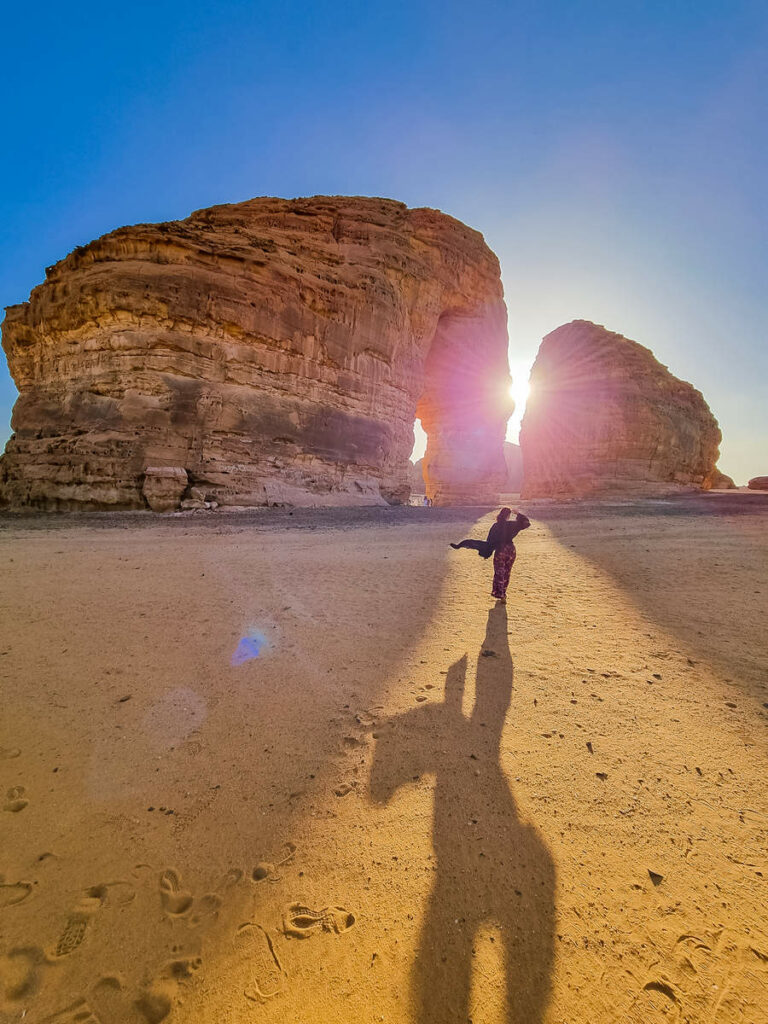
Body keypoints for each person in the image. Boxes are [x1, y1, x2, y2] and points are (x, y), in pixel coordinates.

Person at [451, 507, 530, 602]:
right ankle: (504, 593)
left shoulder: (495, 526)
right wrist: (518, 514)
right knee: (507, 573)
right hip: (511, 550)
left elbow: (490, 541)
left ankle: (501, 594)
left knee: (499, 572)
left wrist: (485, 548)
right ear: (508, 516)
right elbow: (526, 523)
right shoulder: (512, 525)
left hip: (501, 551)